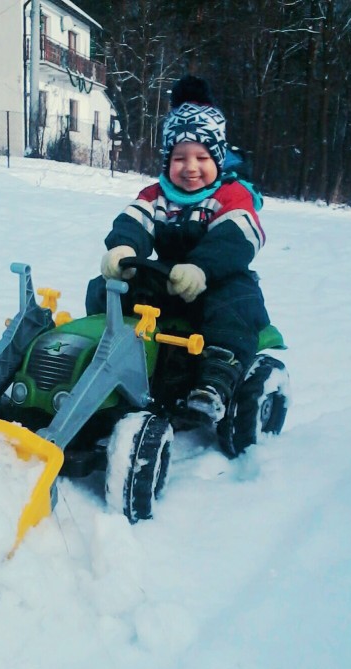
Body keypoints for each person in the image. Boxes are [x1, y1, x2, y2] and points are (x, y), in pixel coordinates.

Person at [86, 75, 270, 423]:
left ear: (217, 158)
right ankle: (107, 353)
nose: (190, 167)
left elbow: (239, 234)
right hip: (169, 278)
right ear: (166, 160)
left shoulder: (230, 196)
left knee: (237, 303)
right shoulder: (156, 196)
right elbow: (134, 220)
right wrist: (123, 249)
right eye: (179, 157)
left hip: (216, 279)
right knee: (107, 288)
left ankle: (216, 378)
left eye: (201, 156)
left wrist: (202, 267)